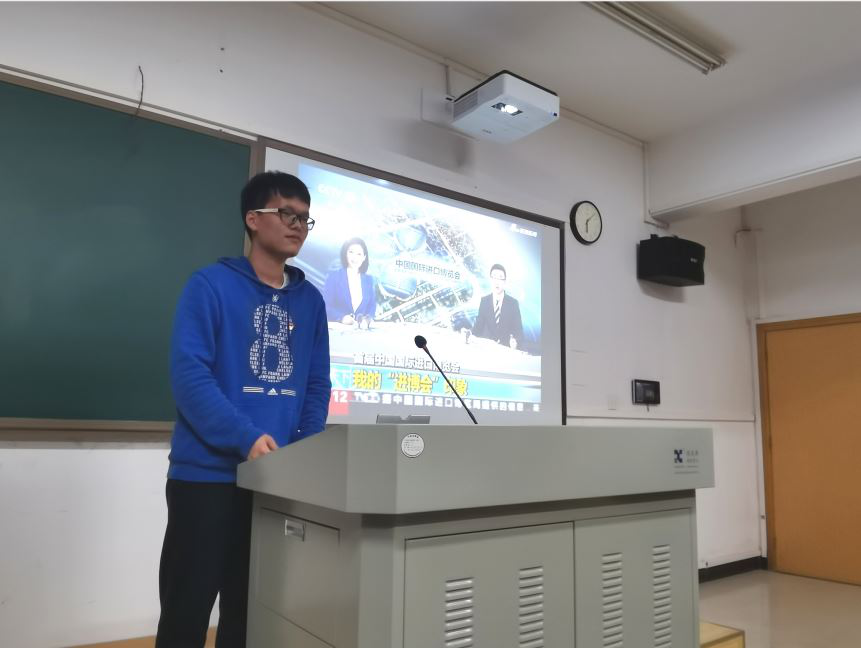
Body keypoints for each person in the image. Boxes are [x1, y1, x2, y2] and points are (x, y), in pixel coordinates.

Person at [156, 171, 331, 648]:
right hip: (207, 478)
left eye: (305, 218)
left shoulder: (311, 301)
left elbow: (317, 384)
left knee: (254, 615)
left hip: (276, 484)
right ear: (253, 219)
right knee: (187, 611)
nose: (297, 225)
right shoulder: (210, 285)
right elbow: (190, 378)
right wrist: (246, 437)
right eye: (287, 213)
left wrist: (304, 449)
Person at [322, 236, 377, 325]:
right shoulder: (334, 276)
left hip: (361, 331)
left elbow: (372, 306)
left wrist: (368, 318)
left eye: (359, 254)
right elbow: (325, 306)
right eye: (351, 252)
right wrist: (341, 318)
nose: (354, 257)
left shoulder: (369, 280)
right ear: (345, 253)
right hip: (338, 329)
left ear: (364, 257)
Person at [471, 263, 524, 350]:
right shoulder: (484, 301)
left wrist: (515, 341)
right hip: (488, 350)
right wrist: (469, 334)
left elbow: (519, 332)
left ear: (505, 281)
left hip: (506, 350)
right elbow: (477, 328)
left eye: (500, 278)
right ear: (490, 280)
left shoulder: (513, 304)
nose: (497, 282)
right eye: (494, 277)